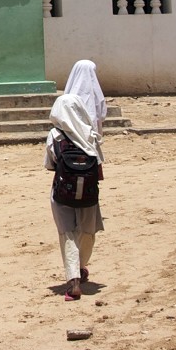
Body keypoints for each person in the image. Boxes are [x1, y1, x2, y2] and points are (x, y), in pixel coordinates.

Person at [45, 93, 104, 301]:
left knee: (67, 233)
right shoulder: (91, 134)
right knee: (87, 231)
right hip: (88, 192)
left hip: (62, 192)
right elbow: (99, 167)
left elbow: (50, 164)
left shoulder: (55, 135)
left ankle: (73, 281)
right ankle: (81, 266)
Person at [63, 59, 107, 136]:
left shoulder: (69, 92)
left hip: (73, 131)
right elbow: (102, 114)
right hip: (91, 129)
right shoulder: (96, 91)